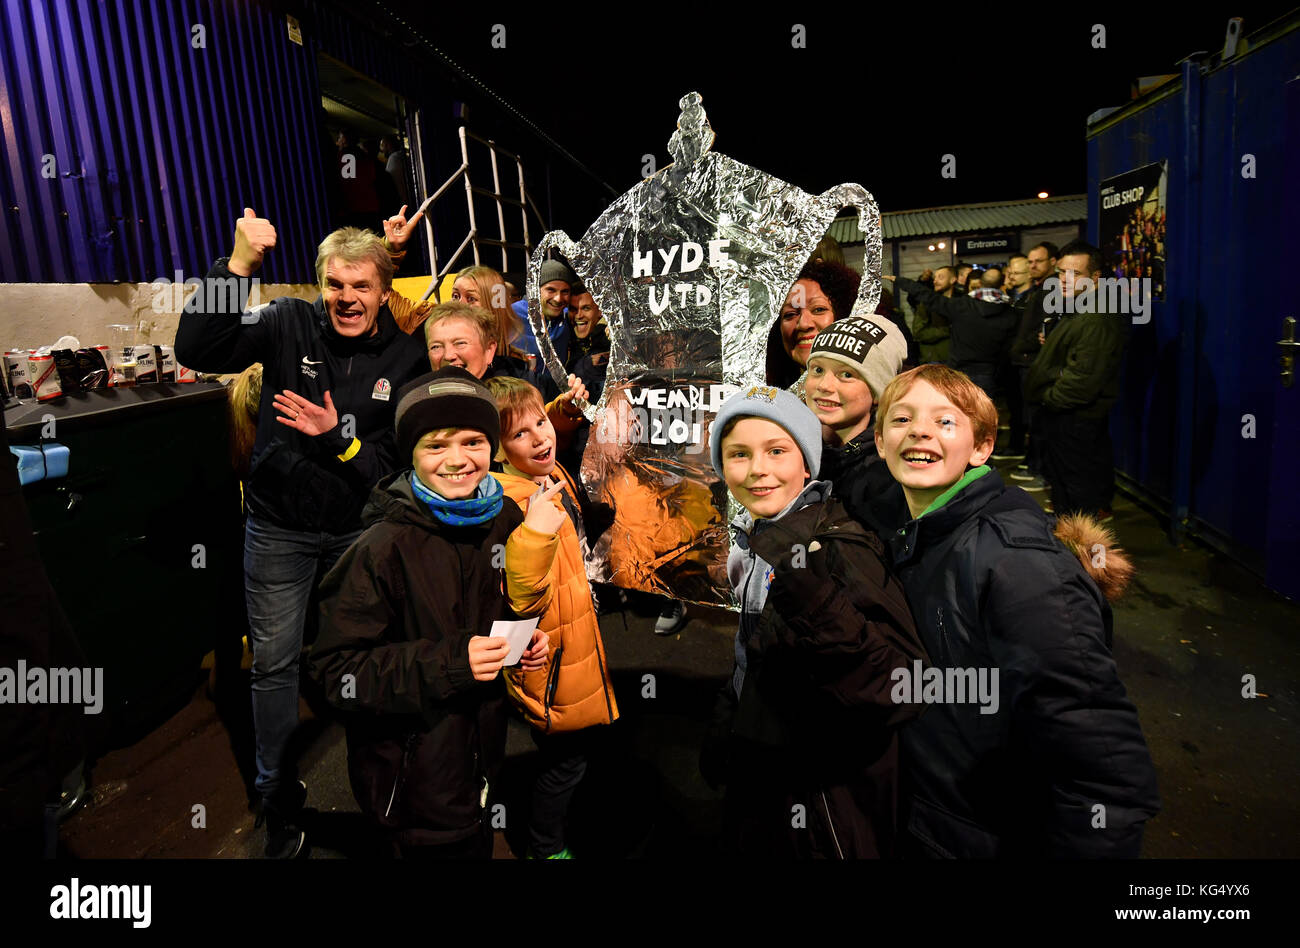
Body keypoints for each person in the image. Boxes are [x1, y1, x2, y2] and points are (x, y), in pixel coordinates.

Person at [174, 210, 429, 857]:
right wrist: (236, 267)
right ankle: (279, 802)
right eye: (335, 285)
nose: (347, 298)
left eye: (361, 286)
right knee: (276, 667)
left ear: (381, 289)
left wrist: (337, 434)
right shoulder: (287, 323)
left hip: (355, 534)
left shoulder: (404, 354)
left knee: (368, 658)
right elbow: (197, 349)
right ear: (320, 285)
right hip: (279, 529)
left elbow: (392, 461)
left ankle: (385, 791)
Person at [874, 363, 1159, 857]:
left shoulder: (1016, 563)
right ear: (879, 443)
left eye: (945, 421)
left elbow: (1097, 755)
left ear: (982, 448)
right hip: (939, 823)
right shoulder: (921, 531)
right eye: (901, 419)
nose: (919, 429)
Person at [309, 367, 557, 858]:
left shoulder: (504, 519)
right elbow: (333, 674)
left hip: (481, 758)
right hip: (411, 784)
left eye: (473, 442)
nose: (458, 460)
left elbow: (494, 612)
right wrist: (451, 664)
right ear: (410, 454)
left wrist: (521, 641)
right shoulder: (381, 548)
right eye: (436, 445)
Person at [699, 385, 927, 858]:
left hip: (828, 801)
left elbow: (906, 686)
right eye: (738, 454)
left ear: (806, 463)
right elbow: (755, 654)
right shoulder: (759, 538)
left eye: (777, 450)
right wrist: (731, 723)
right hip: (770, 775)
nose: (758, 469)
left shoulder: (838, 548)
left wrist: (817, 604)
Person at [485, 376, 619, 859]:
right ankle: (545, 847)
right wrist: (536, 534)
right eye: (520, 434)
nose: (540, 437)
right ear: (496, 450)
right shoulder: (515, 502)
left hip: (574, 626)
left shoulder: (543, 469)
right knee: (564, 762)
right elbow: (520, 596)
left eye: (540, 423)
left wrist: (563, 408)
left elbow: (546, 430)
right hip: (550, 650)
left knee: (568, 754)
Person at [1025, 240, 1125, 520]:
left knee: (1078, 493)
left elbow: (1082, 380)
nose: (1064, 280)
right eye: (1060, 273)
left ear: (1095, 277)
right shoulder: (1078, 307)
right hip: (1066, 416)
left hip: (1073, 417)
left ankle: (1083, 554)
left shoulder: (1097, 316)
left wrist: (1048, 399)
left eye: (1075, 274)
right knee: (1068, 488)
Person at [803, 316, 909, 538]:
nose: (824, 386)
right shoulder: (791, 452)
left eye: (847, 375)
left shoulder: (890, 477)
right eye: (818, 370)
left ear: (879, 393)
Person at [421, 301, 586, 442]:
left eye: (460, 343)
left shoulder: (526, 388)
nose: (448, 355)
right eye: (436, 346)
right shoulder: (418, 404)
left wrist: (566, 410)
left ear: (489, 350)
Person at [883, 267, 1016, 399]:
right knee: (981, 415)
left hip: (958, 371)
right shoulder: (1010, 312)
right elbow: (1008, 350)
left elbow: (929, 297)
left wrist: (900, 281)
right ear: (1002, 284)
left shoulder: (962, 306)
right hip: (987, 373)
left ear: (980, 283)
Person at [513, 259, 575, 366]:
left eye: (565, 291)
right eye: (551, 290)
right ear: (535, 290)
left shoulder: (568, 316)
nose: (558, 298)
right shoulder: (512, 314)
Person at [909, 267, 953, 365]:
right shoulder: (927, 303)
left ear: (953, 279)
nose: (935, 281)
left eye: (940, 277)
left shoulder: (962, 301)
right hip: (936, 359)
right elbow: (918, 333)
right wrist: (946, 330)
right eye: (934, 277)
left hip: (960, 358)